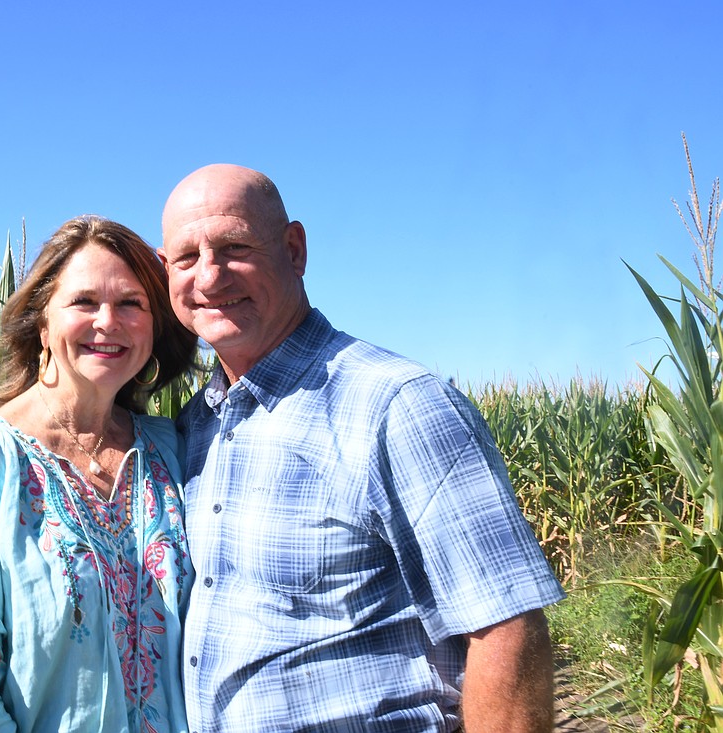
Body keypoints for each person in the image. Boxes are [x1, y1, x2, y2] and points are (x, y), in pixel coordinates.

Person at [159, 164, 565, 733]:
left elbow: (506, 629)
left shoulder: (396, 405)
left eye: (234, 246)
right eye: (186, 257)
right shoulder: (193, 427)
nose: (210, 275)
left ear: (293, 250)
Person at [0, 216, 198, 733]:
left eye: (131, 303)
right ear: (43, 324)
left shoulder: (172, 448)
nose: (108, 321)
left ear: (155, 328)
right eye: (84, 302)